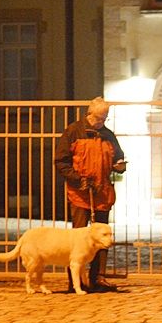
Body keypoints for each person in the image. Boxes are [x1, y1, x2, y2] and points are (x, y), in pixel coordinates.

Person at [54, 96, 126, 293]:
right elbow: (61, 161)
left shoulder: (108, 135)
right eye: (99, 118)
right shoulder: (73, 132)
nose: (101, 122)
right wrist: (78, 179)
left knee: (102, 238)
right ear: (89, 114)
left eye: (104, 118)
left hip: (102, 192)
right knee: (77, 239)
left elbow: (118, 157)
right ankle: (75, 281)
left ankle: (97, 278)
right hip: (80, 193)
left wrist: (119, 166)